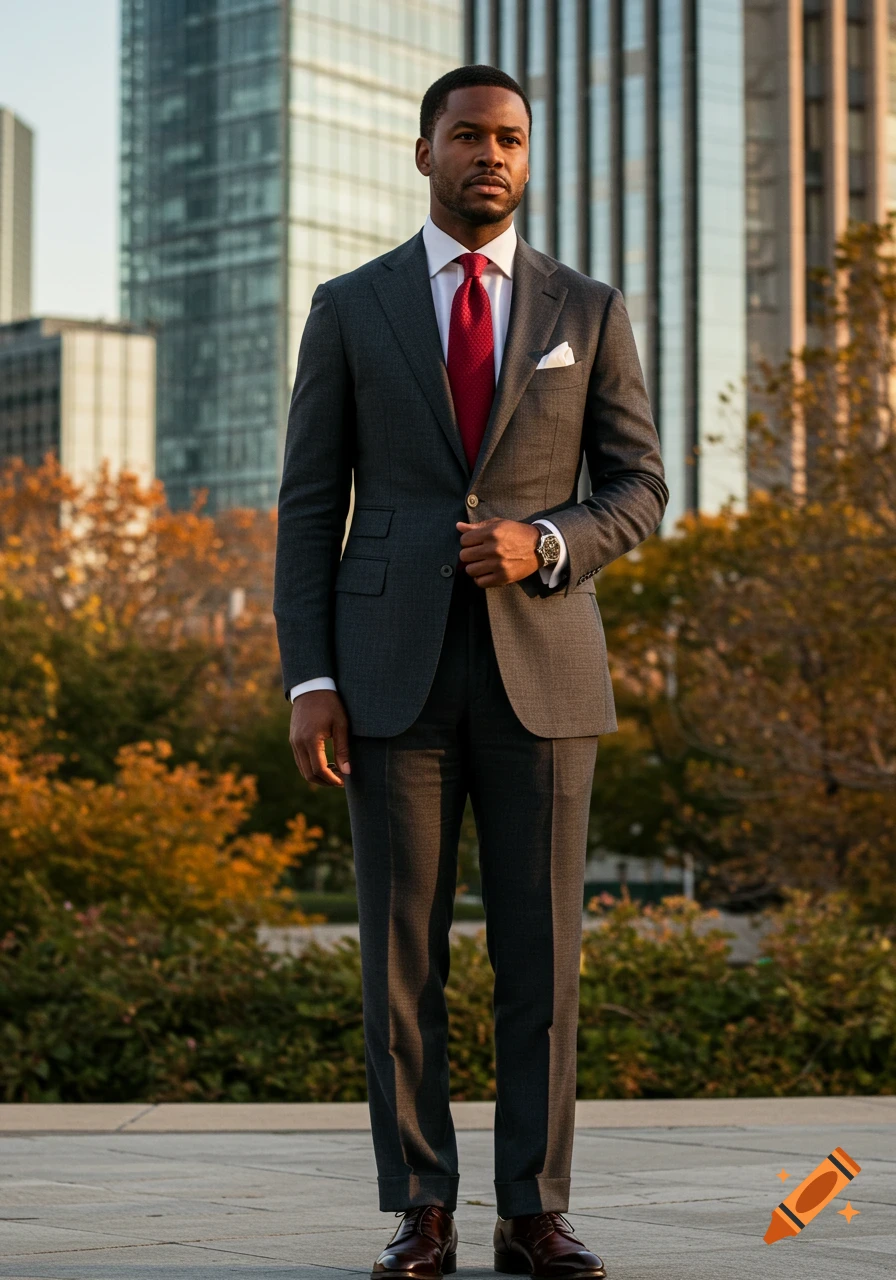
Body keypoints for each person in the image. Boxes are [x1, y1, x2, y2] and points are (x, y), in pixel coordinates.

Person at [274, 64, 667, 1280]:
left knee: (541, 960)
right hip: (386, 675)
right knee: (400, 955)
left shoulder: (586, 310)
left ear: (526, 158)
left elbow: (639, 487)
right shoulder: (348, 306)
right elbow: (305, 505)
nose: (487, 155)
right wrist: (308, 677)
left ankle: (531, 1211)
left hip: (542, 670)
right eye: (466, 136)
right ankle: (422, 1208)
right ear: (423, 151)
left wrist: (545, 541)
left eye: (507, 139)